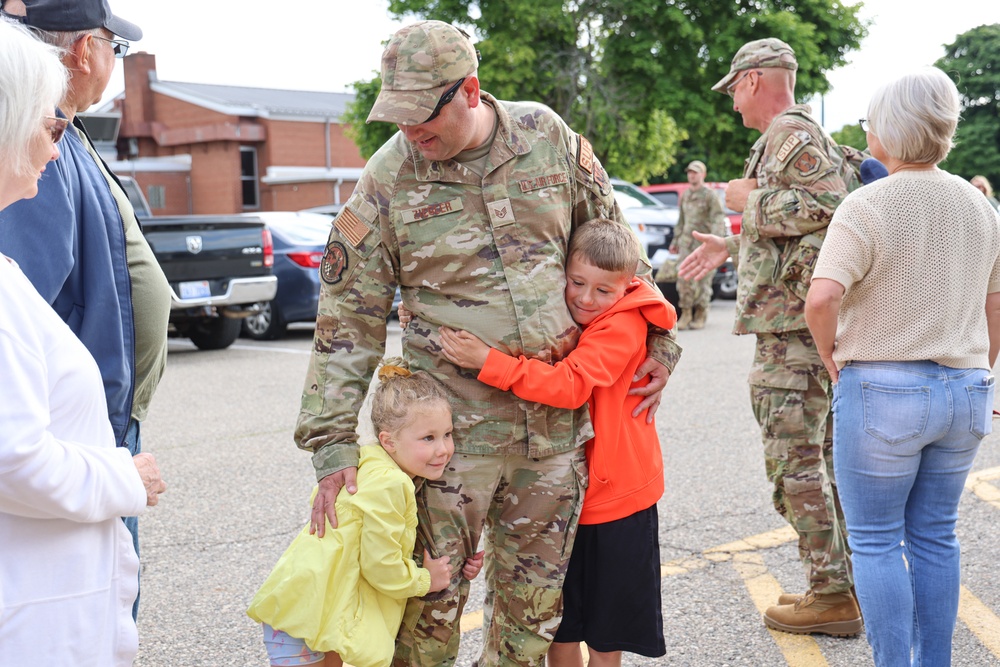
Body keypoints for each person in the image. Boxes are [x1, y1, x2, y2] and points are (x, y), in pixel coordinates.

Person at [296, 20, 681, 667]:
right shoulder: (389, 176)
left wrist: (658, 340)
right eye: (398, 116)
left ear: (469, 91)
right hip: (447, 446)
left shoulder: (547, 138)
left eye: (422, 116)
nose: (410, 132)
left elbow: (617, 254)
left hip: (553, 439)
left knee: (531, 623)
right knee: (426, 619)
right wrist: (332, 440)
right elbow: (346, 315)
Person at [805, 68, 1000, 667]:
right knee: (937, 536)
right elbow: (996, 301)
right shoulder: (980, 205)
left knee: (874, 541)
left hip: (885, 386)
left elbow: (821, 298)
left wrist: (830, 355)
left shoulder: (867, 204)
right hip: (965, 389)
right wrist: (981, 366)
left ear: (889, 132)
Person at [677, 38, 860, 635]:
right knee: (819, 459)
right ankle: (843, 584)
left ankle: (831, 594)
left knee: (796, 463)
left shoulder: (791, 134)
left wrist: (747, 201)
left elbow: (833, 207)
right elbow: (808, 234)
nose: (731, 103)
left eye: (733, 89)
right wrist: (731, 244)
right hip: (796, 327)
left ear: (753, 80)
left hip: (792, 334)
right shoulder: (791, 135)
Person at [0, 17, 166, 665]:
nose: (56, 147)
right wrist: (118, 473)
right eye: (53, 126)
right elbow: (13, 455)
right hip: (33, 606)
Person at [437, 218, 675, 666]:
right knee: (560, 628)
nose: (586, 298)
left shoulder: (621, 326)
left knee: (606, 636)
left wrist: (489, 362)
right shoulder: (581, 311)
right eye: (577, 282)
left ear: (629, 287)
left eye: (603, 291)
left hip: (616, 499)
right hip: (568, 495)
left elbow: (570, 385)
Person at [250, 361, 483, 667]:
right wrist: (426, 580)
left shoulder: (368, 461)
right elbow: (381, 566)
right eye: (428, 438)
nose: (443, 449)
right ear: (389, 441)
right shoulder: (391, 483)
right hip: (307, 615)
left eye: (447, 434)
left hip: (313, 606)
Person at [668, 160, 726, 330]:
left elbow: (718, 218)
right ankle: (686, 313)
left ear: (703, 175)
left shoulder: (710, 195)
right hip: (686, 244)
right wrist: (675, 241)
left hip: (704, 245)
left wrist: (716, 240)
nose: (692, 175)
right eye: (690, 172)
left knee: (703, 279)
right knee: (683, 277)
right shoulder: (686, 195)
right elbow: (681, 221)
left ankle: (700, 313)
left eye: (696, 172)